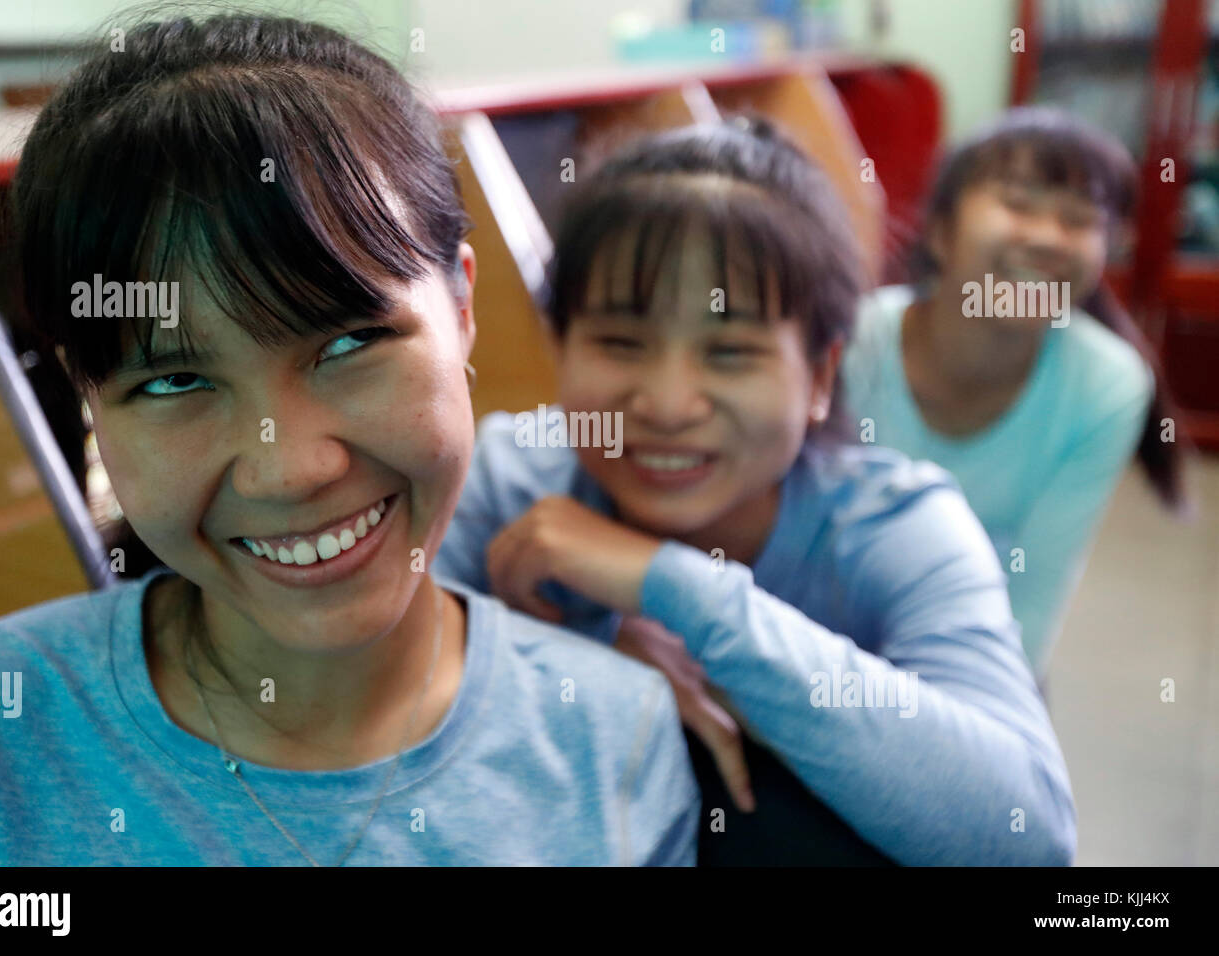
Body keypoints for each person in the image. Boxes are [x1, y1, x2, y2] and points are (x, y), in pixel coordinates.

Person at [0, 13, 698, 866]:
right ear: (89, 397)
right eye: (176, 380)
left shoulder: (613, 744)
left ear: (464, 310)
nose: (289, 469)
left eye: (349, 343)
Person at [433, 116, 1078, 865]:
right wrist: (582, 661)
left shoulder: (896, 524)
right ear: (562, 347)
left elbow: (1026, 836)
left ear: (822, 376)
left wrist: (675, 586)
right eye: (619, 342)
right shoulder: (507, 479)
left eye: (730, 352)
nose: (668, 405)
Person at [844, 107, 1189, 678]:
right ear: (940, 232)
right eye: (1018, 204)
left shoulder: (1108, 385)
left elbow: (1033, 602)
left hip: (978, 650)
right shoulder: (853, 343)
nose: (1049, 238)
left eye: (1079, 220)